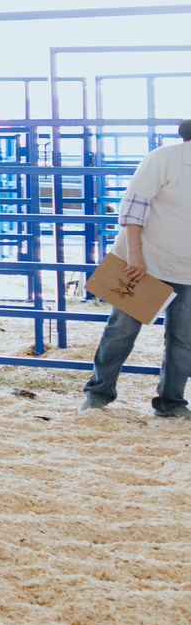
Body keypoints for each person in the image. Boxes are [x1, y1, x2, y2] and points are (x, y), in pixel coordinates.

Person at [81, 117, 191, 418]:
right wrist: (135, 255)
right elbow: (134, 205)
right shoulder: (164, 158)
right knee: (122, 330)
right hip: (146, 262)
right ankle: (98, 393)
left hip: (187, 267)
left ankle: (171, 403)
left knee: (184, 339)